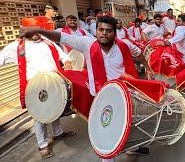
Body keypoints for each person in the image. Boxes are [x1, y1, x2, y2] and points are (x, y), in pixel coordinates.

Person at [19, 15, 154, 160]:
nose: (104, 33)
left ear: (114, 33)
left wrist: (148, 68)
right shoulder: (87, 44)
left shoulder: (124, 45)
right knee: (106, 131)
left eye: (108, 30)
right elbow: (61, 36)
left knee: (129, 123)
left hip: (123, 94)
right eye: (100, 30)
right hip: (100, 98)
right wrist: (40, 30)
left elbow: (138, 53)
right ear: (96, 31)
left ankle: (132, 148)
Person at [0, 17, 75, 159]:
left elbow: (63, 55)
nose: (36, 34)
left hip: (54, 83)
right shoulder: (16, 47)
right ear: (24, 31)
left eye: (37, 30)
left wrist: (67, 61)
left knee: (55, 108)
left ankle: (58, 133)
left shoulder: (48, 42)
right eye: (32, 31)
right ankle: (43, 145)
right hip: (35, 88)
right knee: (39, 115)